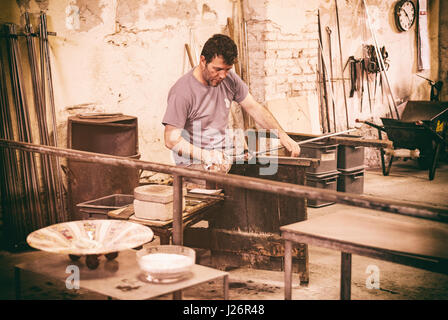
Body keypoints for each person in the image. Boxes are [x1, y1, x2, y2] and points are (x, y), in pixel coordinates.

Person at [162, 34, 300, 176]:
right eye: (217, 69)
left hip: (224, 158)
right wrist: (205, 155)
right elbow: (171, 140)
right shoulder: (182, 92)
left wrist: (282, 136)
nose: (223, 75)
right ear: (203, 61)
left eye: (227, 69)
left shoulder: (230, 79)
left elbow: (255, 108)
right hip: (194, 164)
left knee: (265, 178)